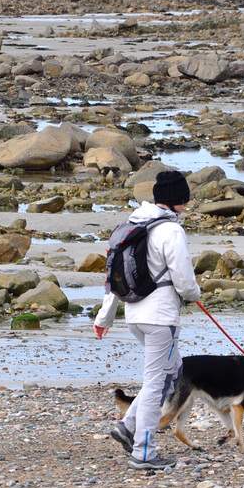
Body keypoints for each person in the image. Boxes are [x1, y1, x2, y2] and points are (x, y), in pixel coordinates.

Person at [93, 171, 201, 471]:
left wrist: (105, 317)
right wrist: (195, 294)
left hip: (134, 315)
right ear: (179, 200)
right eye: (185, 199)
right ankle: (143, 452)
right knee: (158, 382)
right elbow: (184, 280)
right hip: (160, 318)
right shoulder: (171, 231)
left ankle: (128, 426)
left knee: (173, 370)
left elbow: (115, 275)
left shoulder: (132, 225)